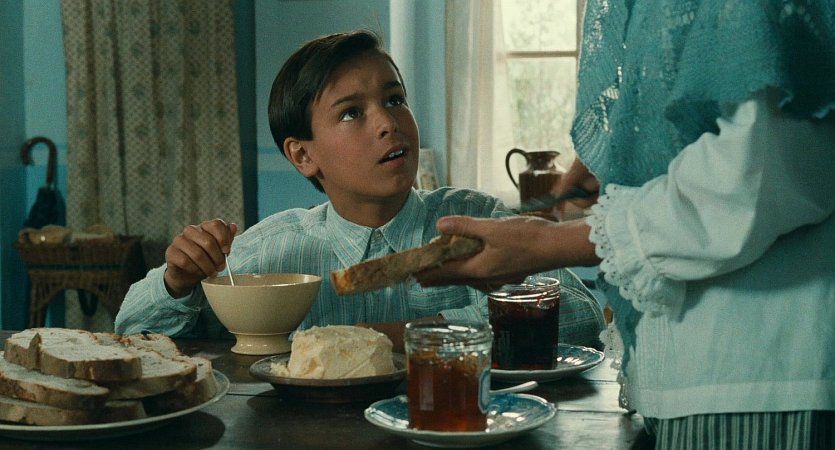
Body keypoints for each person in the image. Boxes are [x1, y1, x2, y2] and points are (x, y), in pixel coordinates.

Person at [416, 1, 834, 449]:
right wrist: (634, 161)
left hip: (752, 369)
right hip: (699, 376)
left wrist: (549, 243)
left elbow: (760, 171)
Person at [115, 29, 606, 352]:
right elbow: (132, 331)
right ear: (302, 156)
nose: (389, 123)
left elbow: (581, 317)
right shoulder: (271, 253)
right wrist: (177, 282)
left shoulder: (473, 220)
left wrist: (399, 336)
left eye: (394, 99)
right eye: (352, 112)